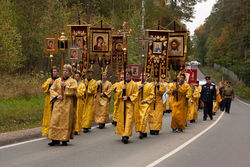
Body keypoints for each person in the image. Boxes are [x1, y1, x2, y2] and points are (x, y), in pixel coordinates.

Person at [48, 64, 77, 146]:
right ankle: (54, 139)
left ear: (70, 72)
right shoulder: (57, 80)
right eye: (63, 70)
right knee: (55, 120)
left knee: (65, 121)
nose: (64, 72)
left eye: (66, 71)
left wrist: (65, 87)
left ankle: (64, 139)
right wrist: (57, 96)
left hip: (67, 104)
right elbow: (52, 89)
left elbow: (74, 91)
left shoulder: (72, 81)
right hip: (58, 103)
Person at [115, 69, 138, 144]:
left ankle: (126, 135)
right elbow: (117, 93)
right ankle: (123, 134)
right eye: (126, 74)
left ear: (131, 75)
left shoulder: (134, 84)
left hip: (129, 105)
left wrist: (128, 98)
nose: (127, 76)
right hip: (122, 104)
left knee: (128, 120)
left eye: (128, 74)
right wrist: (122, 90)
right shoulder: (120, 84)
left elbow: (135, 94)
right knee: (122, 120)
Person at [134, 73, 154, 139]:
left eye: (144, 76)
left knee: (144, 117)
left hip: (145, 103)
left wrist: (145, 100)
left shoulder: (150, 85)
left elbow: (152, 95)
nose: (143, 77)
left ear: (146, 77)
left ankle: (141, 132)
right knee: (139, 118)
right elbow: (134, 93)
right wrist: (140, 88)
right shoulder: (137, 84)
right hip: (138, 103)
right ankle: (144, 131)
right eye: (141, 76)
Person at [41, 66, 59, 136]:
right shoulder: (49, 80)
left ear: (57, 72)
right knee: (48, 115)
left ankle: (55, 130)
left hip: (56, 99)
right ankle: (47, 130)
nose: (54, 73)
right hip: (49, 99)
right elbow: (44, 88)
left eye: (55, 71)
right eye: (53, 71)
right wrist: (50, 84)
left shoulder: (59, 80)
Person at [82, 68, 97, 133]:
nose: (89, 74)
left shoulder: (94, 82)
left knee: (88, 113)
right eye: (88, 73)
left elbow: (93, 90)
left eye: (91, 73)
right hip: (84, 98)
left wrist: (87, 87)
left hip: (90, 99)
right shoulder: (84, 81)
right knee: (83, 112)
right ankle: (83, 124)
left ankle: (86, 126)